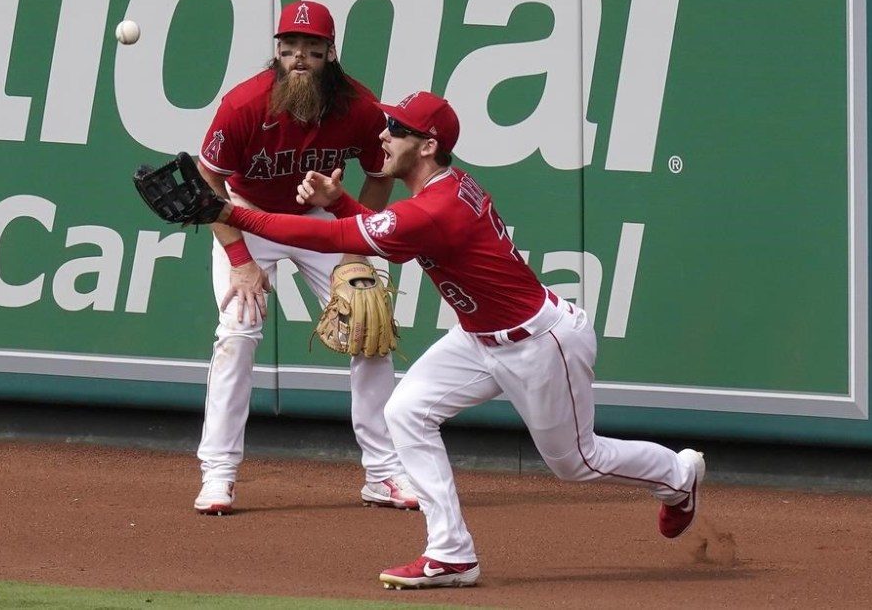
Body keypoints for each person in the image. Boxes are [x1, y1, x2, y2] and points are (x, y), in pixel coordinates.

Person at [208, 90, 706, 589]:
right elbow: (389, 236)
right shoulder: (439, 191)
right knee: (406, 411)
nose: (383, 134)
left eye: (397, 130)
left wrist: (232, 214)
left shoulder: (434, 209)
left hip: (540, 344)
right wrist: (338, 201)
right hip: (478, 339)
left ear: (428, 146)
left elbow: (336, 239)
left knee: (578, 463)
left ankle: (678, 476)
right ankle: (451, 554)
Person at [192, 0, 419, 515]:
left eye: (311, 50)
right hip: (249, 215)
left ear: (329, 53)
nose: (298, 57)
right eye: (289, 47)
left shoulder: (358, 106)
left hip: (320, 221)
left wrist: (358, 241)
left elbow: (381, 171)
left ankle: (383, 474)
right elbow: (209, 183)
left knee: (371, 329)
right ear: (277, 51)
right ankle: (219, 474)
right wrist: (239, 256)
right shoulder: (244, 104)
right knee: (237, 333)